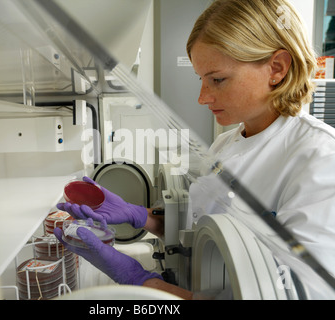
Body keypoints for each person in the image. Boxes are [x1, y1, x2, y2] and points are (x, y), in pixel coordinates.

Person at [54, 0, 335, 299]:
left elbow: (298, 295)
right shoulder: (225, 144)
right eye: (201, 79)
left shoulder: (320, 160)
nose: (203, 97)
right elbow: (201, 234)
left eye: (217, 79)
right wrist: (140, 216)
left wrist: (142, 281)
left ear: (276, 68)